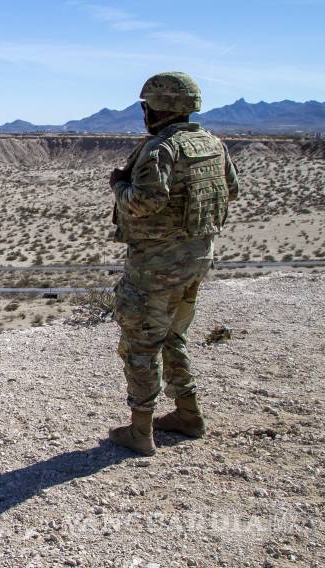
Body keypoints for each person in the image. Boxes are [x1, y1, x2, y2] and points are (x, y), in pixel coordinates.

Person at [107, 71, 240, 456]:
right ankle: (188, 413)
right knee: (174, 337)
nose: (144, 112)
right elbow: (232, 190)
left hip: (156, 266)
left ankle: (140, 430)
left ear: (161, 107)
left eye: (148, 105)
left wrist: (119, 185)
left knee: (141, 344)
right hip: (197, 259)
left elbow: (143, 201)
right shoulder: (212, 144)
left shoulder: (161, 149)